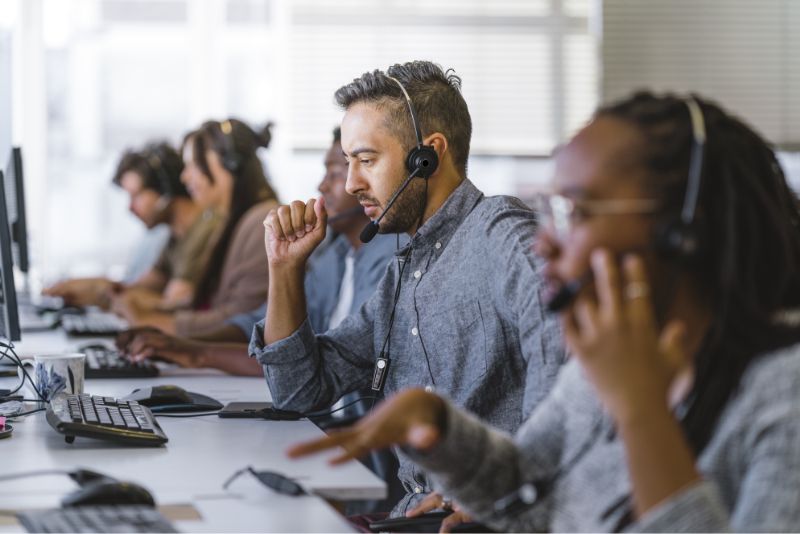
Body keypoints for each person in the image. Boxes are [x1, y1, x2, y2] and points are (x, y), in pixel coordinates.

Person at [288, 92, 800, 532]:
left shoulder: (781, 393)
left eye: (575, 212)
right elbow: (527, 483)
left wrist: (643, 414)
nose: (547, 241)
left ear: (683, 228)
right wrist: (441, 431)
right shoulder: (606, 363)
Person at [252, 60, 564, 516]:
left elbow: (565, 378)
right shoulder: (404, 273)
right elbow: (299, 390)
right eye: (348, 163)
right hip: (418, 516)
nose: (353, 183)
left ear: (428, 156)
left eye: (366, 160)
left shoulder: (504, 236)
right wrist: (283, 268)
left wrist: (500, 497)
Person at [117, 127, 399, 377]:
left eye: (335, 173)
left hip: (333, 422)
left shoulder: (388, 259)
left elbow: (318, 364)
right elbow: (261, 323)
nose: (322, 186)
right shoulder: (336, 254)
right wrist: (185, 348)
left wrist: (191, 351)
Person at [113, 119, 279, 337]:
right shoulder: (230, 222)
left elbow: (243, 320)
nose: (184, 177)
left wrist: (152, 321)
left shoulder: (262, 223)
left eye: (194, 165)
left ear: (229, 164)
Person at [44, 142, 220, 309]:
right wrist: (91, 288)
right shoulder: (175, 237)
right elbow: (138, 289)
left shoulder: (204, 230)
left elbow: (173, 303)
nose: (130, 208)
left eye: (136, 196)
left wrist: (106, 295)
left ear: (165, 190)